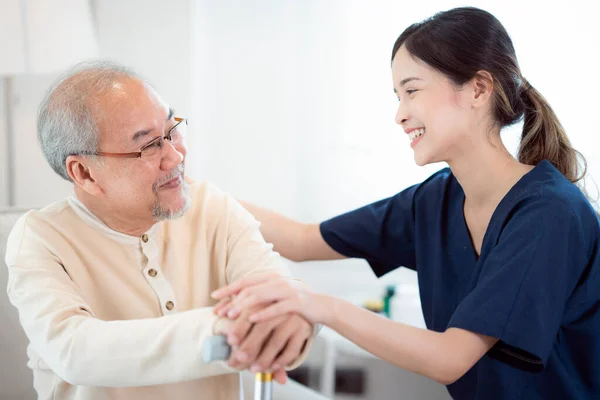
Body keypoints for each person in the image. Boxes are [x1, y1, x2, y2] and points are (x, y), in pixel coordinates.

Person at [211, 6, 600, 399]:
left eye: (411, 90)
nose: (399, 115)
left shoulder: (549, 213)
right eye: (398, 96)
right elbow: (301, 239)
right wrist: (192, 194)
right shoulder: (435, 201)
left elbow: (451, 357)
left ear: (479, 89)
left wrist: (317, 305)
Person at [4, 61, 316, 400]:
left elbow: (282, 290)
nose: (176, 156)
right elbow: (74, 349)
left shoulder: (211, 206)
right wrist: (222, 330)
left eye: (172, 130)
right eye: (150, 145)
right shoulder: (39, 238)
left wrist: (296, 319)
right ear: (84, 173)